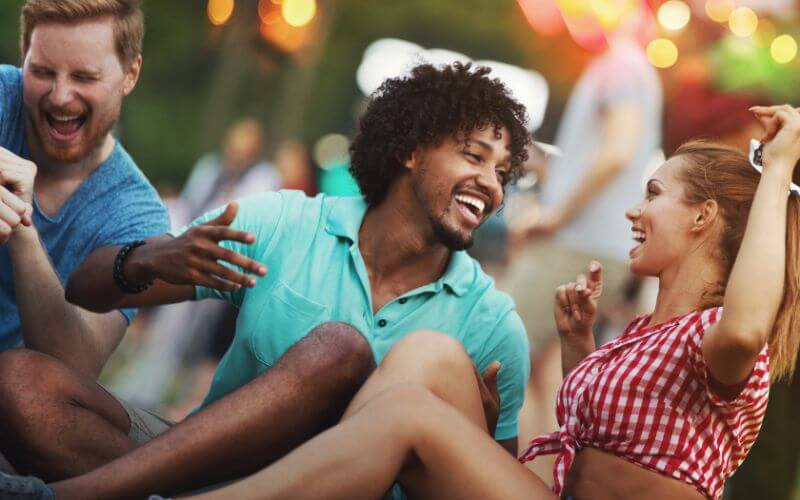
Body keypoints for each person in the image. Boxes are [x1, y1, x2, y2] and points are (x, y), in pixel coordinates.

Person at [135, 104, 799, 500]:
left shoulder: (720, 334)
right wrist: (578, 349)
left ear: (704, 217)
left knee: (406, 421)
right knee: (427, 359)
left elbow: (746, 328)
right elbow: (608, 440)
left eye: (653, 194)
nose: (633, 208)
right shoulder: (647, 332)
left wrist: (779, 172)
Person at [0, 62, 532, 499]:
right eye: (474, 156)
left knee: (339, 350)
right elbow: (85, 288)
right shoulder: (286, 224)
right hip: (195, 466)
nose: (491, 185)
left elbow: (483, 478)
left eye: (502, 173)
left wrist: (473, 430)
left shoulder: (493, 327)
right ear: (412, 150)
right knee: (18, 382)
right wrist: (151, 258)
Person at [0, 0, 168, 392]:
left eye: (84, 77)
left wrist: (23, 230)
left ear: (130, 74)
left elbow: (74, 371)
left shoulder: (137, 218)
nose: (60, 96)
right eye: (41, 72)